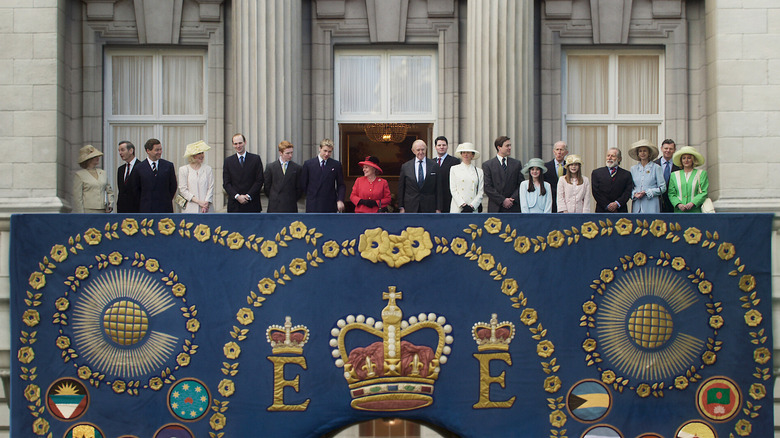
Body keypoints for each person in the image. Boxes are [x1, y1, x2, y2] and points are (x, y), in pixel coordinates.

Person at [129, 138, 177, 213]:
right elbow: (135, 190)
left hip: (165, 208)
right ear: (148, 151)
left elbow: (173, 186)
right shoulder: (139, 168)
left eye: (160, 149)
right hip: (146, 209)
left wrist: (166, 199)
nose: (160, 152)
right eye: (157, 150)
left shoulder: (168, 166)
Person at [301, 138, 346, 212]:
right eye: (325, 151)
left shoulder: (336, 165)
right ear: (320, 149)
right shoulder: (308, 164)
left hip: (329, 203)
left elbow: (341, 185)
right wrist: (311, 195)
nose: (327, 154)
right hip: (313, 203)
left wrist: (340, 200)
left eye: (329, 152)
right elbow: (303, 184)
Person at [223, 133, 264, 213]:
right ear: (233, 144)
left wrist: (248, 196)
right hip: (234, 205)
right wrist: (237, 196)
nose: (238, 146)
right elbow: (226, 183)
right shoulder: (228, 161)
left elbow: (259, 180)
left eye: (240, 143)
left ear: (245, 142)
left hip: (252, 204)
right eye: (235, 144)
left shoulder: (255, 159)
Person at [398, 140, 441, 213]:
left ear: (426, 149)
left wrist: (438, 208)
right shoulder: (406, 166)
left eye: (423, 149)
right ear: (413, 151)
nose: (421, 152)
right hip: (410, 206)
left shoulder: (434, 166)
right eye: (418, 150)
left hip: (429, 206)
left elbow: (439, 188)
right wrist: (401, 207)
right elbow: (401, 188)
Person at [482, 136, 522, 212]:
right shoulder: (488, 165)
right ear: (499, 147)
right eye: (507, 146)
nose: (510, 148)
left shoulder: (516, 164)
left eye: (510, 145)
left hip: (513, 206)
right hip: (496, 207)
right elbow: (487, 187)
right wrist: (503, 200)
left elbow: (521, 184)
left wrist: (511, 199)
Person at [72, 145, 114, 213]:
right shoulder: (79, 175)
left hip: (103, 211)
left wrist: (110, 204)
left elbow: (109, 191)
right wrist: (80, 214)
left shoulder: (103, 173)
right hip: (87, 211)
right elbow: (77, 198)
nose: (98, 158)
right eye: (95, 156)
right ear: (89, 159)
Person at [264, 140, 303, 212]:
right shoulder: (271, 167)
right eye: (287, 153)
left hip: (290, 205)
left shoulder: (297, 168)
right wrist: (274, 197)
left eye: (291, 153)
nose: (290, 155)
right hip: (275, 205)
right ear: (280, 153)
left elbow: (299, 188)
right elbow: (267, 187)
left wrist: (291, 198)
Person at [628, 139, 666, 213]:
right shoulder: (633, 169)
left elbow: (662, 187)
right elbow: (630, 187)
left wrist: (647, 192)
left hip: (651, 204)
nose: (642, 153)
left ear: (649, 153)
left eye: (645, 151)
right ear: (638, 154)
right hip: (637, 205)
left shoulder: (656, 167)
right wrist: (635, 194)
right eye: (640, 151)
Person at [591, 148, 633, 213]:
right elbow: (596, 192)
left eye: (613, 156)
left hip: (620, 211)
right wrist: (607, 205)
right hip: (602, 210)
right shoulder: (597, 173)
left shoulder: (626, 174)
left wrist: (617, 204)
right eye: (608, 156)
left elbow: (627, 192)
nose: (609, 158)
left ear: (619, 159)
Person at [668, 146, 709, 213]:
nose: (686, 160)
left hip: (695, 211)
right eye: (684, 158)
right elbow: (671, 193)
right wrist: (678, 204)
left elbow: (704, 192)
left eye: (689, 158)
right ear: (681, 160)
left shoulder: (701, 173)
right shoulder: (674, 175)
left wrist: (692, 203)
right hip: (679, 211)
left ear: (693, 160)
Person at [178, 140, 214, 213]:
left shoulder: (208, 169)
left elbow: (211, 187)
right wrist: (198, 202)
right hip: (190, 207)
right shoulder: (183, 169)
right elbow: (183, 189)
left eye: (202, 153)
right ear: (192, 156)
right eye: (198, 153)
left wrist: (206, 203)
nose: (201, 156)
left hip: (206, 208)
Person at [448, 143, 484, 213]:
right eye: (463, 152)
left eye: (468, 152)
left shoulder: (479, 171)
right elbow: (453, 189)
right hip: (458, 207)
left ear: (472, 155)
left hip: (473, 208)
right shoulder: (454, 169)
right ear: (461, 154)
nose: (465, 155)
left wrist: (472, 206)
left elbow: (480, 192)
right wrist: (463, 204)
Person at [434, 136, 460, 213]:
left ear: (447, 146)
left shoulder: (454, 161)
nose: (441, 147)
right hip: (434, 200)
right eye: (439, 145)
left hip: (448, 198)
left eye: (444, 145)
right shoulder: (431, 162)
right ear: (435, 147)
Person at [655, 138, 680, 212]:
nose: (668, 151)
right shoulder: (654, 165)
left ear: (674, 150)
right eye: (666, 148)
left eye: (671, 149)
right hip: (657, 202)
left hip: (672, 204)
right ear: (661, 148)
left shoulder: (679, 167)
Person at [544, 141, 568, 213]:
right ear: (554, 152)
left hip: (566, 202)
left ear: (566, 152)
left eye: (562, 149)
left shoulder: (570, 167)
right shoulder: (546, 167)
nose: (559, 152)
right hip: (551, 202)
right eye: (557, 149)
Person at [116, 140, 139, 213]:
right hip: (122, 210)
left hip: (137, 209)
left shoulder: (141, 167)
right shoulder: (121, 169)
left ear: (131, 150)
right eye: (119, 151)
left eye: (122, 150)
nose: (120, 153)